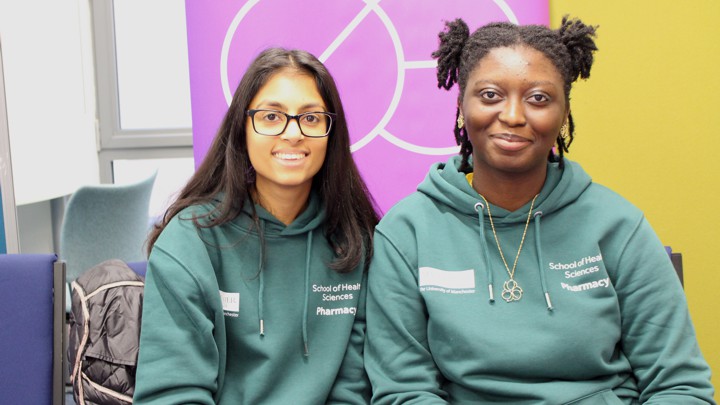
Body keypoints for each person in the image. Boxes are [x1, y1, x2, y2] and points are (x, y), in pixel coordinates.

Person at [364, 17, 716, 404]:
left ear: (564, 113)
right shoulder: (407, 233)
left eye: (538, 98)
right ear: (462, 106)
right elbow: (405, 391)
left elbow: (680, 387)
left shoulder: (618, 225)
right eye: (491, 95)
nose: (514, 115)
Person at [134, 48, 378, 404]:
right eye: (271, 116)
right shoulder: (190, 241)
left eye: (311, 118)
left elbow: (353, 391)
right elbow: (172, 394)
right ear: (242, 128)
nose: (293, 134)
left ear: (331, 133)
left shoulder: (356, 243)